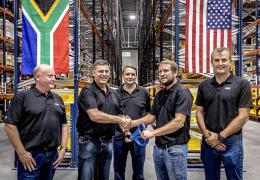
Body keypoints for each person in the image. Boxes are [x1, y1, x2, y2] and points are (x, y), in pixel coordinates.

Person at [195, 47, 253, 180]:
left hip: (231, 142)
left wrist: (220, 137)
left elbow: (243, 116)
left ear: (230, 63)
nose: (220, 63)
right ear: (211, 63)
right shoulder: (204, 85)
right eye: (216, 60)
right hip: (208, 142)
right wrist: (207, 135)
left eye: (224, 60)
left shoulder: (242, 84)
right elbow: (199, 112)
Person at [4, 64, 68, 180]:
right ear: (38, 77)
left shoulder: (57, 98)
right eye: (50, 76)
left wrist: (63, 149)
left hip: (52, 154)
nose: (53, 79)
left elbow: (64, 125)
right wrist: (22, 153)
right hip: (31, 155)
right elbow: (10, 126)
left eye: (54, 76)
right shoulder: (22, 97)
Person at [132, 60, 193, 180]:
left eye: (166, 71)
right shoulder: (160, 94)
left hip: (175, 148)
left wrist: (152, 133)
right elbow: (151, 117)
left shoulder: (182, 92)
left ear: (175, 72)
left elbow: (179, 122)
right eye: (160, 71)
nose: (162, 74)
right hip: (159, 148)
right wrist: (133, 122)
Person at [77, 59, 131, 180]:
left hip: (107, 141)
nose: (104, 74)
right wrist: (119, 119)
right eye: (101, 71)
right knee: (86, 176)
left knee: (103, 176)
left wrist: (125, 131)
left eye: (107, 71)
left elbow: (120, 115)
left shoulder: (114, 93)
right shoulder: (88, 91)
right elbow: (94, 115)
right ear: (93, 73)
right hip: (89, 142)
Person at [113, 65, 151, 180]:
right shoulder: (115, 93)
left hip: (138, 134)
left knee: (138, 169)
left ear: (136, 76)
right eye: (127, 74)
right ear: (122, 76)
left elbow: (148, 113)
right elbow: (114, 114)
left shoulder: (143, 92)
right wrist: (125, 130)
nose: (130, 77)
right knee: (119, 169)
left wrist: (142, 127)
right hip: (119, 135)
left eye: (133, 74)